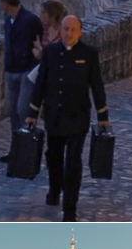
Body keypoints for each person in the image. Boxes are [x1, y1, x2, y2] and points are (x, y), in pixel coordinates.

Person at [25, 15, 111, 222]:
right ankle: (55, 190)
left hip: (77, 117)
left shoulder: (89, 54)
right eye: (65, 29)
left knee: (73, 162)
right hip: (54, 115)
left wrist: (103, 115)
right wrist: (33, 113)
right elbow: (41, 84)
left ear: (80, 32)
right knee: (53, 157)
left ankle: (70, 207)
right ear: (61, 30)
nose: (69, 33)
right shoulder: (50, 53)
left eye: (73, 29)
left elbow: (97, 86)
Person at [0, 0, 44, 160]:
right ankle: (16, 150)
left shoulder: (30, 20)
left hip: (25, 71)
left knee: (23, 111)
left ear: (5, 3)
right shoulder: (8, 20)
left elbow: (38, 44)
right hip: (11, 70)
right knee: (13, 113)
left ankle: (28, 151)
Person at [15, 0, 67, 129]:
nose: (41, 15)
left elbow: (60, 57)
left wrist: (41, 52)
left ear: (52, 14)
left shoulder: (65, 33)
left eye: (44, 13)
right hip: (38, 72)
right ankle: (27, 135)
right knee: (23, 108)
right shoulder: (42, 29)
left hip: (55, 77)